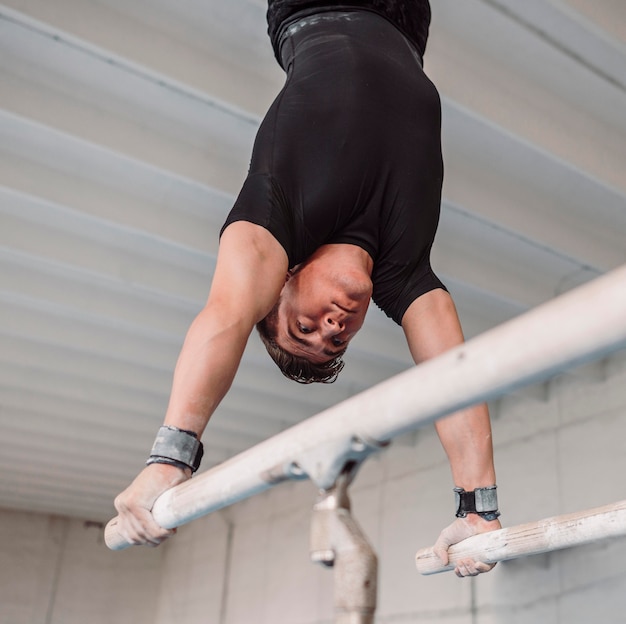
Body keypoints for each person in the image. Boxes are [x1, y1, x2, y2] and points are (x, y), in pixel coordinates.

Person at [114, 1, 501, 578]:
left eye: (305, 327)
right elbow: (454, 381)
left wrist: (172, 458)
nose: (333, 327)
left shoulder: (276, 222)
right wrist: (478, 510)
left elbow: (225, 315)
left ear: (281, 284)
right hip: (405, 21)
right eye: (335, 343)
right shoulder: (404, 273)